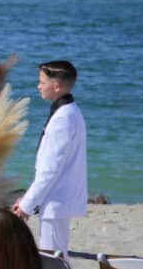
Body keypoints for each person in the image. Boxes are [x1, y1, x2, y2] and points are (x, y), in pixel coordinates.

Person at [13, 61, 88, 258]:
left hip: (56, 199)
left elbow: (50, 170)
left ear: (57, 86)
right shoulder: (71, 110)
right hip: (57, 197)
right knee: (55, 254)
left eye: (42, 82)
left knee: (53, 256)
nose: (39, 86)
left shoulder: (63, 118)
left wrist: (26, 205)